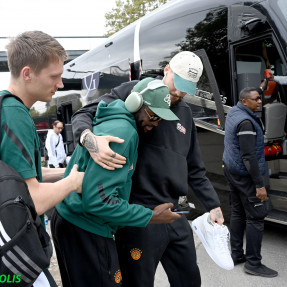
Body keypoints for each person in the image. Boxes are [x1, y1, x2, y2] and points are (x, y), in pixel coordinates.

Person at [71, 51, 224, 287]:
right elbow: (84, 113)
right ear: (167, 71)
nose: (180, 93)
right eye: (178, 84)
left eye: (186, 88)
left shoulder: (185, 113)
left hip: (177, 210)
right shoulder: (136, 91)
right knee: (138, 282)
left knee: (190, 280)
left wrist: (213, 205)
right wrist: (91, 142)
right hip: (141, 212)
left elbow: (194, 168)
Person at [51, 77, 182, 287]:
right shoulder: (124, 133)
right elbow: (98, 201)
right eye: (153, 115)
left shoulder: (117, 121)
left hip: (72, 220)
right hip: (86, 226)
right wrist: (150, 216)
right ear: (135, 104)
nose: (155, 123)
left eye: (160, 119)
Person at [0, 31, 84, 286]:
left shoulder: (5, 107)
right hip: (14, 249)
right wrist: (73, 183)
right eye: (54, 76)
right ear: (27, 73)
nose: (60, 84)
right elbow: (33, 198)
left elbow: (22, 177)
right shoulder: (16, 114)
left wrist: (67, 172)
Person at [222, 87, 278, 277]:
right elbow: (249, 156)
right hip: (245, 175)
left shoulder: (235, 112)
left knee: (238, 212)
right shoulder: (246, 122)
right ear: (245, 101)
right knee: (256, 216)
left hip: (231, 170)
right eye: (256, 99)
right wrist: (259, 185)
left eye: (260, 98)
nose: (260, 101)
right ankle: (253, 264)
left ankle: (237, 255)